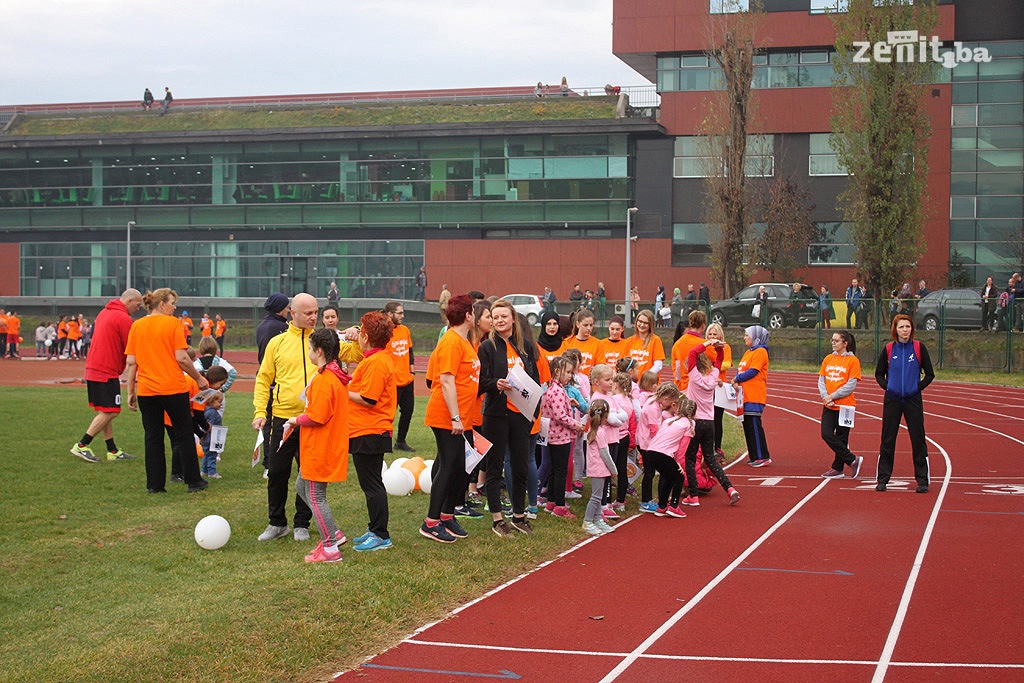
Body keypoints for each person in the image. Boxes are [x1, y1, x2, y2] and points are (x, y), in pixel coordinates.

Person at [254, 293, 347, 542]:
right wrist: (260, 412)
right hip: (283, 418)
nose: (313, 317)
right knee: (276, 471)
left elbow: (354, 352)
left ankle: (301, 523)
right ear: (291, 313)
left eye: (316, 312)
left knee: (308, 473)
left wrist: (357, 333)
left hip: (312, 421)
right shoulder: (278, 343)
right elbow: (263, 379)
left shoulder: (325, 340)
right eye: (308, 313)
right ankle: (276, 523)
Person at [125, 288, 209, 493]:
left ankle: (155, 485)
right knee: (184, 435)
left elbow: (131, 362)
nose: (174, 307)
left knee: (152, 437)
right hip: (172, 388)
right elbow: (181, 358)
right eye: (172, 303)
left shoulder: (137, 326)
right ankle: (193, 481)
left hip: (147, 391)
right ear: (162, 304)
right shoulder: (173, 324)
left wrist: (130, 391)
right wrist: (198, 378)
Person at [285, 328, 351, 563]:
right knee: (302, 486)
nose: (309, 353)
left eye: (311, 349)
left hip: (321, 447)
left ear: (320, 351)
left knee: (316, 496)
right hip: (322, 445)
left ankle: (331, 548)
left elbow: (317, 416)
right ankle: (332, 533)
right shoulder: (333, 375)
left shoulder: (325, 379)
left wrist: (294, 420)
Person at [478, 299, 542, 536]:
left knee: (521, 465)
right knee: (494, 466)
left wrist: (534, 410)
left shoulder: (525, 346)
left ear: (513, 318)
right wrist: (495, 383)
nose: (500, 320)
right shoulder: (487, 347)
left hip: (521, 415)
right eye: (496, 317)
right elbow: (480, 382)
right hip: (496, 414)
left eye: (504, 316)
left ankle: (518, 515)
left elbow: (534, 379)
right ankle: (497, 519)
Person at [420, 295, 478, 543]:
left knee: (457, 466)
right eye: (474, 311)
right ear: (468, 315)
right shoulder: (452, 342)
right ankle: (431, 522)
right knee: (448, 465)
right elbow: (445, 380)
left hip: (461, 416)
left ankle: (446, 514)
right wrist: (455, 417)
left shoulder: (462, 341)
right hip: (447, 416)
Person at [69, 289, 144, 463]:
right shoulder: (123, 319)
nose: (138, 308)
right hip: (106, 369)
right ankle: (82, 445)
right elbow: (132, 348)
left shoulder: (104, 313)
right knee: (112, 411)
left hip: (95, 367)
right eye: (138, 304)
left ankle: (112, 450)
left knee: (106, 410)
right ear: (129, 301)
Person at [347, 311, 397, 552]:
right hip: (366, 429)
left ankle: (380, 534)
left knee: (372, 485)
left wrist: (342, 390)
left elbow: (368, 398)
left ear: (365, 336)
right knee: (370, 484)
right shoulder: (375, 359)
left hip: (370, 429)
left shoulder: (377, 362)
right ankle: (374, 528)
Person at [874, 314, 934, 493]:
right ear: (895, 330)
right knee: (888, 439)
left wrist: (917, 388)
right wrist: (888, 387)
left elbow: (930, 374)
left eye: (907, 327)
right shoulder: (889, 349)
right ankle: (883, 479)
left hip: (912, 400)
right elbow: (879, 373)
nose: (905, 330)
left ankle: (922, 480)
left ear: (912, 329)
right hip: (892, 400)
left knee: (917, 438)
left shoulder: (918, 348)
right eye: (901, 327)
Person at [682, 339, 741, 506]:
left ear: (693, 366)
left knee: (690, 458)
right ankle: (730, 489)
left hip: (695, 423)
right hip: (710, 422)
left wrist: (708, 343)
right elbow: (719, 361)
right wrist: (719, 349)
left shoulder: (694, 377)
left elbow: (692, 352)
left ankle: (693, 495)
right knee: (710, 458)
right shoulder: (713, 377)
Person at [540, 356, 584, 518]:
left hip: (552, 435)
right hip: (560, 437)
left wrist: (568, 402)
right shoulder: (557, 391)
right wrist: (576, 424)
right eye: (568, 372)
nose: (570, 376)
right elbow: (561, 416)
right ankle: (559, 505)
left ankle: (551, 501)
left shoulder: (550, 388)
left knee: (554, 469)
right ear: (557, 371)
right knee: (560, 471)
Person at [819, 330, 863, 479]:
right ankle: (852, 459)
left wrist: (833, 396)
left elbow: (851, 385)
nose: (833, 343)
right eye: (832, 340)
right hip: (829, 404)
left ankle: (837, 468)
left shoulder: (853, 361)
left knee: (842, 438)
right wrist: (825, 396)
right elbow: (821, 380)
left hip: (845, 405)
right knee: (826, 434)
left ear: (845, 343)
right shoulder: (828, 359)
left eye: (836, 341)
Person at [644, 394, 696, 517]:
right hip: (663, 453)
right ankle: (674, 506)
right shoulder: (690, 423)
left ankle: (662, 506)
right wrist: (679, 462)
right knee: (679, 477)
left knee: (668, 476)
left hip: (651, 451)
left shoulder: (669, 420)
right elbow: (684, 446)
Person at [255, 293, 290, 472]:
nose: (289, 310)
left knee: (268, 424)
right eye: (287, 306)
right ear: (280, 308)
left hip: (267, 376)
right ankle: (271, 463)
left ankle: (269, 462)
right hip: (277, 381)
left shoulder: (262, 326)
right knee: (275, 425)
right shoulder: (280, 328)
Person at [636, 381, 680, 513]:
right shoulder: (653, 408)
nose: (670, 406)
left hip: (648, 442)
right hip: (646, 443)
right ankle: (645, 501)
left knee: (651, 472)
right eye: (671, 402)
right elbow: (654, 428)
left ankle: (650, 499)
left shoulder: (654, 402)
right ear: (666, 398)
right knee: (649, 473)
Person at [733, 325, 772, 467]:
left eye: (747, 335)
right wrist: (736, 379)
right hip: (745, 396)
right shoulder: (748, 352)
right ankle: (754, 455)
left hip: (755, 395)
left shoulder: (760, 352)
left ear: (756, 338)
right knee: (747, 425)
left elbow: (753, 371)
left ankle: (762, 456)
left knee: (754, 425)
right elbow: (741, 370)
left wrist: (737, 379)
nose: (744, 338)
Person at [384, 302, 416, 452]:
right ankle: (385, 442)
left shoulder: (405, 330)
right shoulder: (383, 332)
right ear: (390, 314)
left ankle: (401, 441)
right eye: (399, 313)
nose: (402, 316)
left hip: (407, 379)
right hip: (392, 381)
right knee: (389, 414)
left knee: (408, 411)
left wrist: (412, 371)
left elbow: (409, 351)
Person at [581, 399, 616, 535]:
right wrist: (613, 469)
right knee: (596, 497)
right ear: (604, 417)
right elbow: (605, 453)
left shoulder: (594, 430)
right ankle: (587, 520)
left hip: (599, 469)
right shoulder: (600, 432)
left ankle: (597, 518)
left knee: (599, 494)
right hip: (599, 469)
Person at [704, 322, 731, 461]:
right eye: (710, 334)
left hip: (720, 387)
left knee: (717, 419)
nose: (712, 336)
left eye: (715, 334)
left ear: (720, 335)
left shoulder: (725, 347)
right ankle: (707, 448)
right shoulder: (704, 347)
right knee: (706, 418)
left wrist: (713, 365)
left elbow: (727, 364)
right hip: (707, 386)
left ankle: (717, 447)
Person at [671, 309, 709, 391]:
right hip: (702, 387)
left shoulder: (677, 344)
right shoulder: (706, 345)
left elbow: (677, 369)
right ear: (703, 326)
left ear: (690, 324)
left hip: (683, 387)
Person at [562, 308, 599, 376]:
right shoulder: (567, 342)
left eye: (591, 325)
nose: (589, 328)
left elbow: (600, 368)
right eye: (585, 325)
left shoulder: (598, 344)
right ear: (578, 324)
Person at [200, 392, 224, 479]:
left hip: (205, 439)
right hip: (211, 438)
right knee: (212, 455)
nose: (220, 404)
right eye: (218, 401)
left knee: (206, 455)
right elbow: (209, 426)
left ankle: (204, 470)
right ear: (211, 401)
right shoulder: (213, 413)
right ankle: (212, 472)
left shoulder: (205, 410)